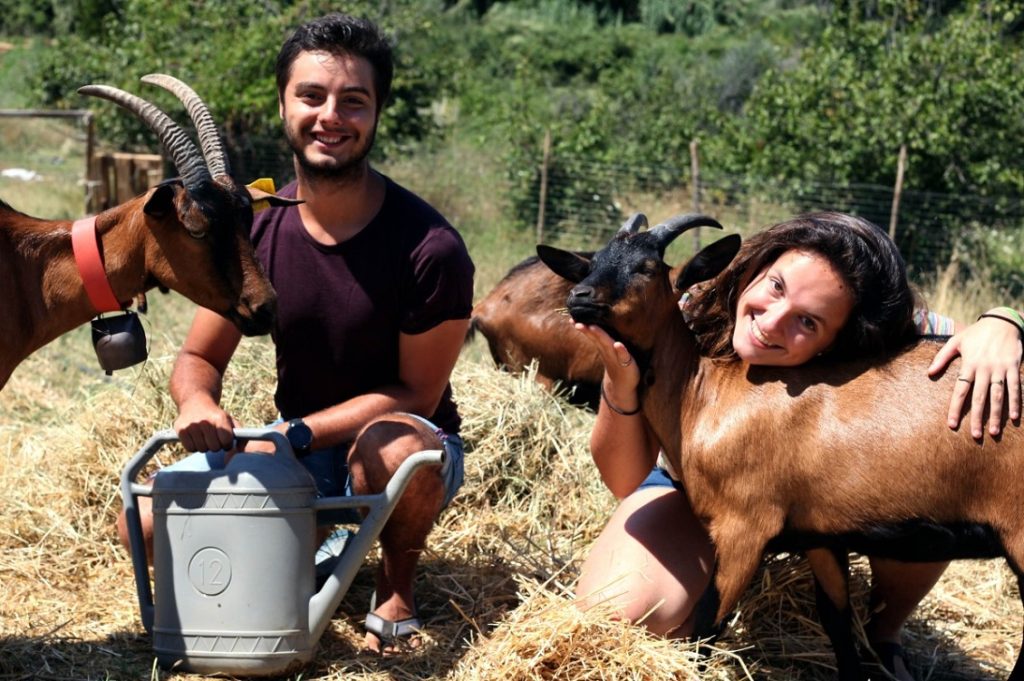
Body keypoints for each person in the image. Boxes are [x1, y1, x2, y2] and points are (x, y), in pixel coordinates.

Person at [116, 13, 475, 654]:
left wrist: (296, 434)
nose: (330, 116)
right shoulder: (254, 229)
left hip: (408, 446)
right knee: (144, 521)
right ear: (283, 104)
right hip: (298, 450)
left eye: (353, 101)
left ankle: (395, 587)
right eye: (311, 96)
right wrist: (196, 402)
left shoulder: (431, 247)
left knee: (390, 449)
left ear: (377, 113)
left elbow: (416, 394)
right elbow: (199, 355)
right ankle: (296, 559)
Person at [572, 212, 1022, 680]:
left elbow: (968, 342)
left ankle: (881, 634)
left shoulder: (880, 325)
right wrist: (620, 381)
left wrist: (1004, 322)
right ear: (758, 265)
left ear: (841, 339)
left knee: (924, 474)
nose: (771, 323)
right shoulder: (685, 305)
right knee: (620, 613)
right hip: (693, 486)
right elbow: (623, 479)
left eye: (807, 321)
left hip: (813, 490)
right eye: (776, 286)